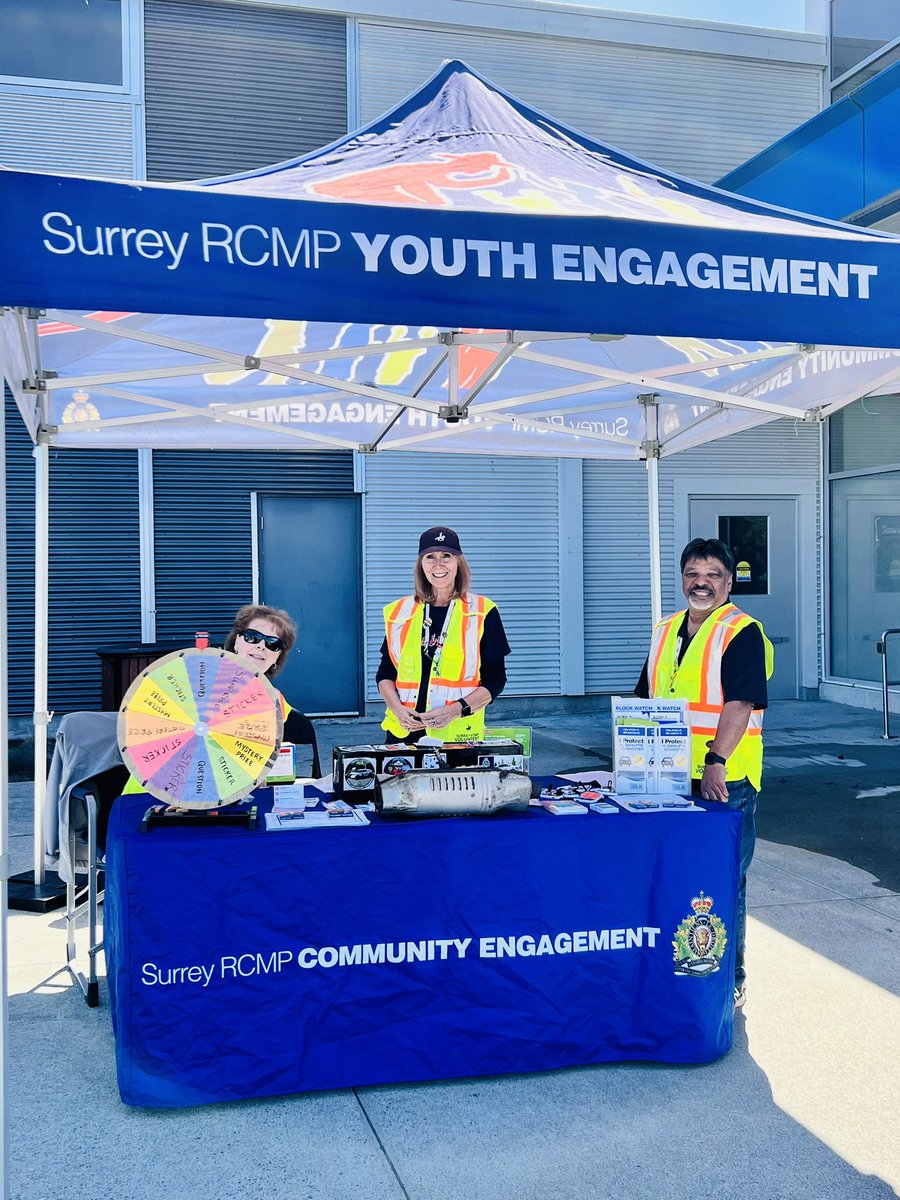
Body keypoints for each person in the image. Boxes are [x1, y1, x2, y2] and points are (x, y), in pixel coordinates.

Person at [635, 538, 773, 1010]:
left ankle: (730, 978)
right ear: (683, 580)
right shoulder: (665, 629)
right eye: (693, 573)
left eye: (713, 574)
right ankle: (683, 964)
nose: (702, 582)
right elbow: (644, 700)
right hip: (665, 776)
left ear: (729, 582)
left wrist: (716, 759)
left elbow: (739, 703)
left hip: (723, 780)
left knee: (724, 879)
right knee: (675, 875)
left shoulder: (741, 631)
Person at [377, 526, 511, 743]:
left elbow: (496, 680)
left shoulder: (482, 611)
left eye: (446, 556)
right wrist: (398, 709)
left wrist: (455, 711)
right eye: (430, 557)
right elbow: (385, 673)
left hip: (457, 734)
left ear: (459, 562)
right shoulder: (400, 612)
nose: (438, 564)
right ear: (421, 564)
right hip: (402, 733)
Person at [224, 603, 313, 750]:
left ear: (277, 658)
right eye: (252, 637)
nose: (261, 646)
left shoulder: (278, 704)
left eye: (272, 643)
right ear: (237, 641)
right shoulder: (200, 684)